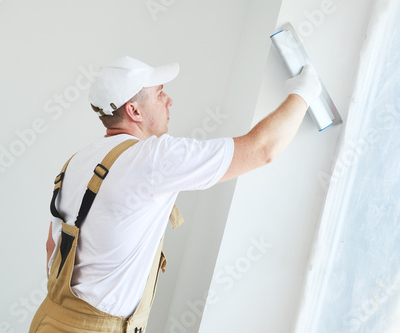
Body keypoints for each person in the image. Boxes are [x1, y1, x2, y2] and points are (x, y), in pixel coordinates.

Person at [29, 56, 321, 332]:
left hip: (49, 317)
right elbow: (262, 149)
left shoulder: (77, 161)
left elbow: (51, 245)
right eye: (159, 94)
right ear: (134, 110)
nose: (169, 101)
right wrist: (304, 92)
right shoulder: (153, 158)